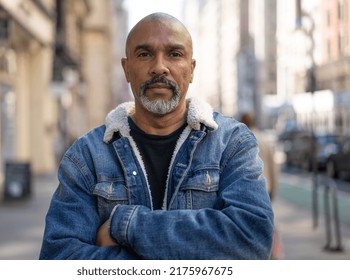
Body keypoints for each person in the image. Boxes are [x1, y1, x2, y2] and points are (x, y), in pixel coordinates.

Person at [39, 12, 274, 260]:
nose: (159, 67)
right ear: (126, 68)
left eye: (174, 54)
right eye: (144, 54)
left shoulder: (232, 143)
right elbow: (60, 257)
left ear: (191, 69)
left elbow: (251, 239)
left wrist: (124, 225)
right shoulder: (87, 156)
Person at [240, 112, 283, 259]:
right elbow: (273, 167)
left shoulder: (237, 139)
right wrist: (273, 191)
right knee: (267, 222)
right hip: (266, 188)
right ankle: (272, 253)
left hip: (245, 190)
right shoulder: (264, 139)